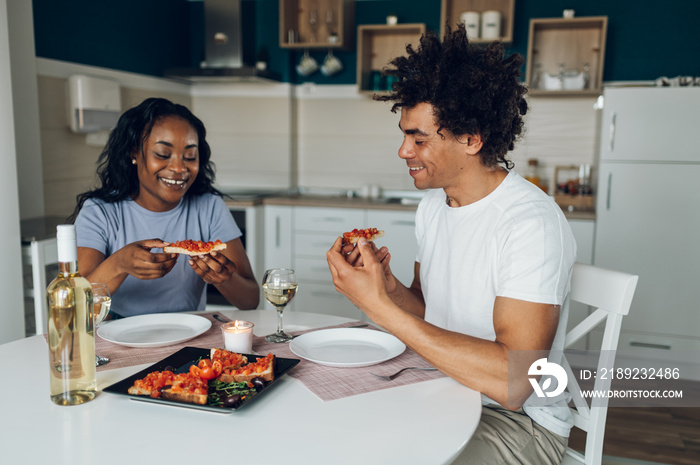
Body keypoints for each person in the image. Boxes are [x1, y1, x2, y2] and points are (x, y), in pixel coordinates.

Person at [326, 24, 576, 464]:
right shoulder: (435, 207)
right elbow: (431, 312)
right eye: (404, 134)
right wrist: (386, 287)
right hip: (443, 387)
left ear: (471, 139)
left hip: (516, 423)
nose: (403, 151)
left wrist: (379, 308)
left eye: (419, 138)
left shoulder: (529, 223)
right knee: (338, 434)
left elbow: (516, 383)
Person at [70, 97, 259, 317]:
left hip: (190, 337)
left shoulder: (209, 207)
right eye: (162, 154)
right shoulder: (99, 212)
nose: (179, 168)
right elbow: (75, 310)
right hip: (120, 339)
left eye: (190, 156)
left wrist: (225, 279)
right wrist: (119, 264)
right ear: (134, 154)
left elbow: (250, 301)